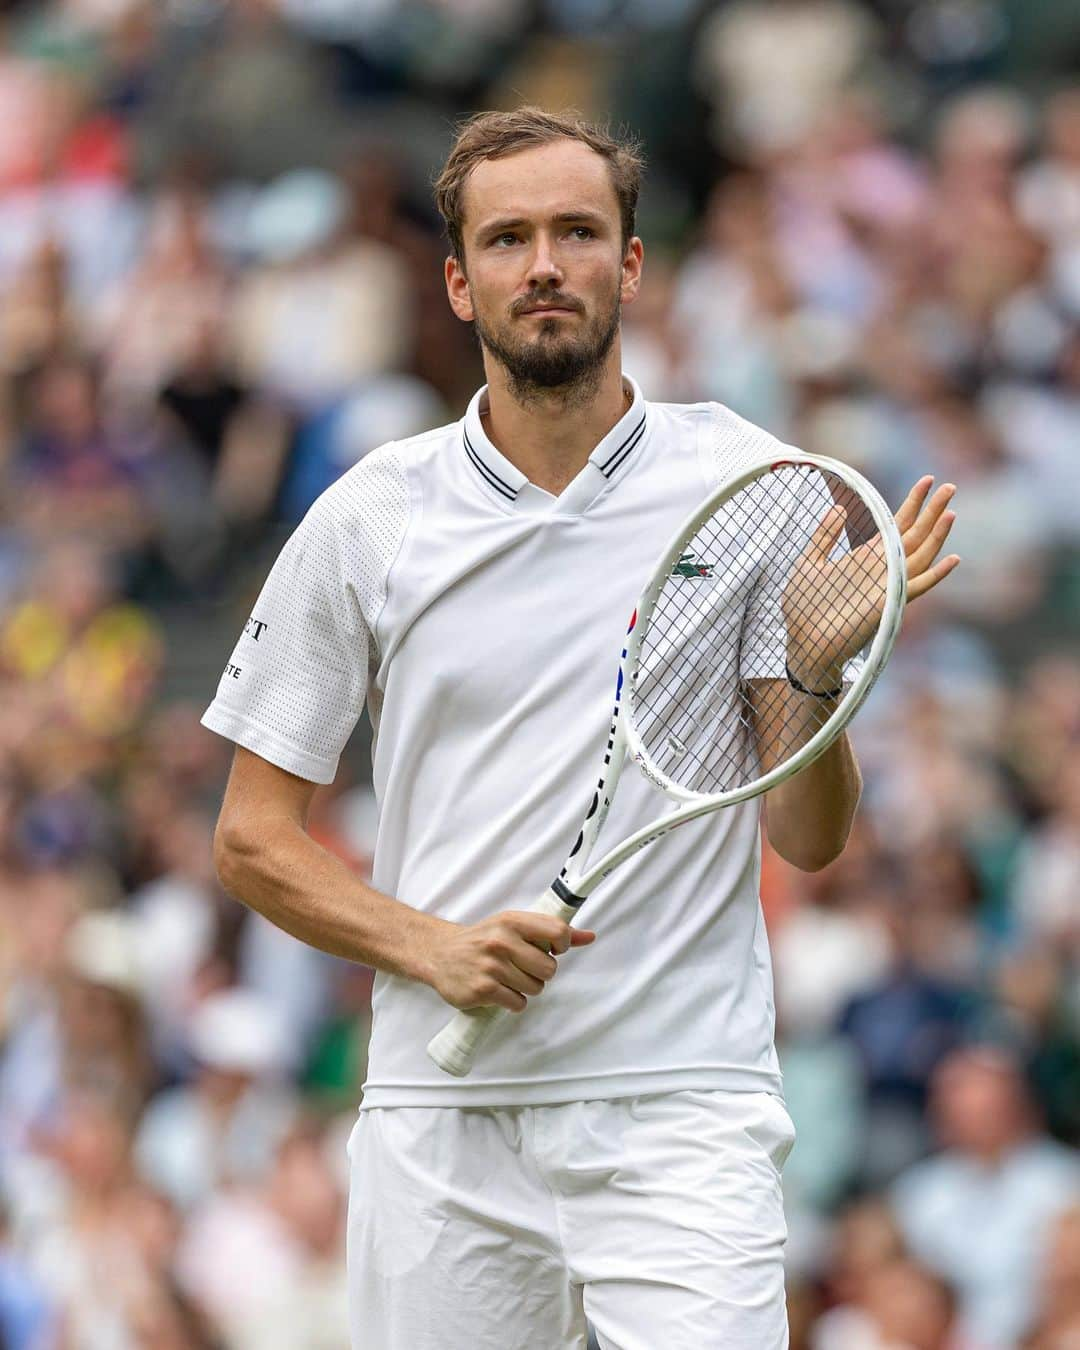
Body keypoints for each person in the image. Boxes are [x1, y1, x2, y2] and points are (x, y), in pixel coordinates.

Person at [201, 108, 959, 1350]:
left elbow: (809, 839)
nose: (543, 263)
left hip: (682, 1109)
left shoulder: (749, 484)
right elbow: (249, 841)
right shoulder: (368, 518)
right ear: (458, 281)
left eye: (576, 231)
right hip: (440, 1124)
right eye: (507, 239)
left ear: (633, 264)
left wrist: (817, 678)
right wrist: (430, 946)